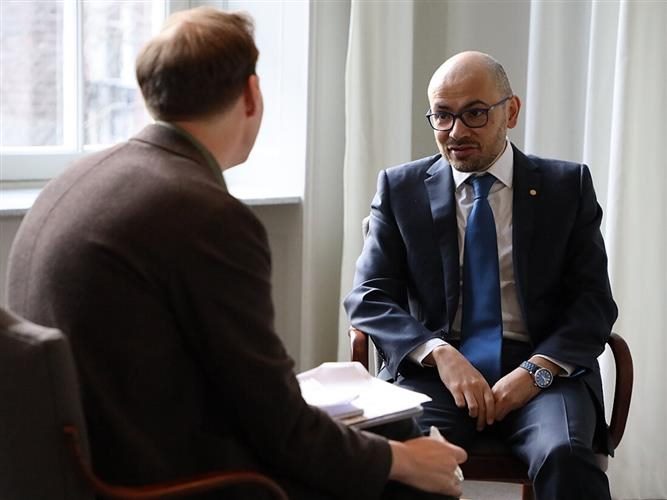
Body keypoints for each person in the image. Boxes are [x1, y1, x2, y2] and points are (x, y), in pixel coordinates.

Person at [5, 7, 466, 500]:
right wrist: (400, 461)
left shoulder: (76, 180)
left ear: (148, 94)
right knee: (411, 466)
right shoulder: (204, 215)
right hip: (164, 481)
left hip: (84, 460)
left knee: (388, 434)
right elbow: (277, 425)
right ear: (251, 93)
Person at [344, 51, 618, 500]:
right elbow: (368, 296)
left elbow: (594, 303)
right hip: (436, 372)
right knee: (406, 461)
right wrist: (439, 355)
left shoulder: (565, 187)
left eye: (474, 113)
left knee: (566, 456)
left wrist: (535, 372)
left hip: (544, 373)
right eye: (442, 115)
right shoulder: (400, 188)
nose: (456, 132)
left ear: (510, 111)